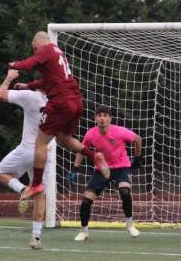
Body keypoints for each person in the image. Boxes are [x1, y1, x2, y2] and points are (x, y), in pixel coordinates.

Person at [10, 31, 109, 203]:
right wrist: (29, 85)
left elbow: (30, 63)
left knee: (40, 142)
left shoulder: (46, 48)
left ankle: (36, 184)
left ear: (37, 42)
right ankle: (95, 157)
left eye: (34, 46)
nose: (34, 50)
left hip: (60, 103)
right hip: (76, 101)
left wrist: (14, 65)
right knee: (64, 138)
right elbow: (49, 81)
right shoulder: (58, 54)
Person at [67, 106, 142, 240]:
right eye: (99, 115)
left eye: (105, 115)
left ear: (110, 118)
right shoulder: (91, 134)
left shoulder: (119, 131)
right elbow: (81, 150)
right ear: (95, 118)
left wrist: (137, 157)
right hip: (102, 168)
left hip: (121, 167)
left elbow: (138, 139)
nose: (102, 118)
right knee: (85, 201)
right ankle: (84, 232)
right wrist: (75, 168)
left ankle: (130, 225)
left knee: (125, 191)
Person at [0, 69, 49, 250]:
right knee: (40, 194)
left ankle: (23, 189)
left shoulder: (30, 96)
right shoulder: (57, 103)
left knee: (0, 173)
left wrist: (10, 76)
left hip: (26, 150)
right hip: (43, 153)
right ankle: (36, 237)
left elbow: (0, 95)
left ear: (35, 83)